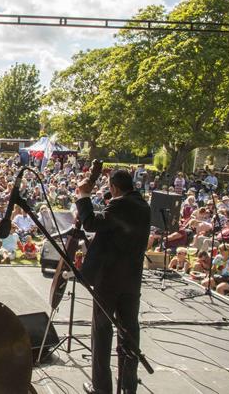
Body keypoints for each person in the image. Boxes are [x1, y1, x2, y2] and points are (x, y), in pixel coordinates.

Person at [75, 169, 151, 394]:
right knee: (129, 333)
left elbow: (90, 223)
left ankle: (101, 388)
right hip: (131, 280)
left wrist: (83, 196)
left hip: (109, 280)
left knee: (102, 332)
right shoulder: (142, 206)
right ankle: (128, 387)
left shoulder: (119, 205)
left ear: (114, 188)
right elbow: (111, 224)